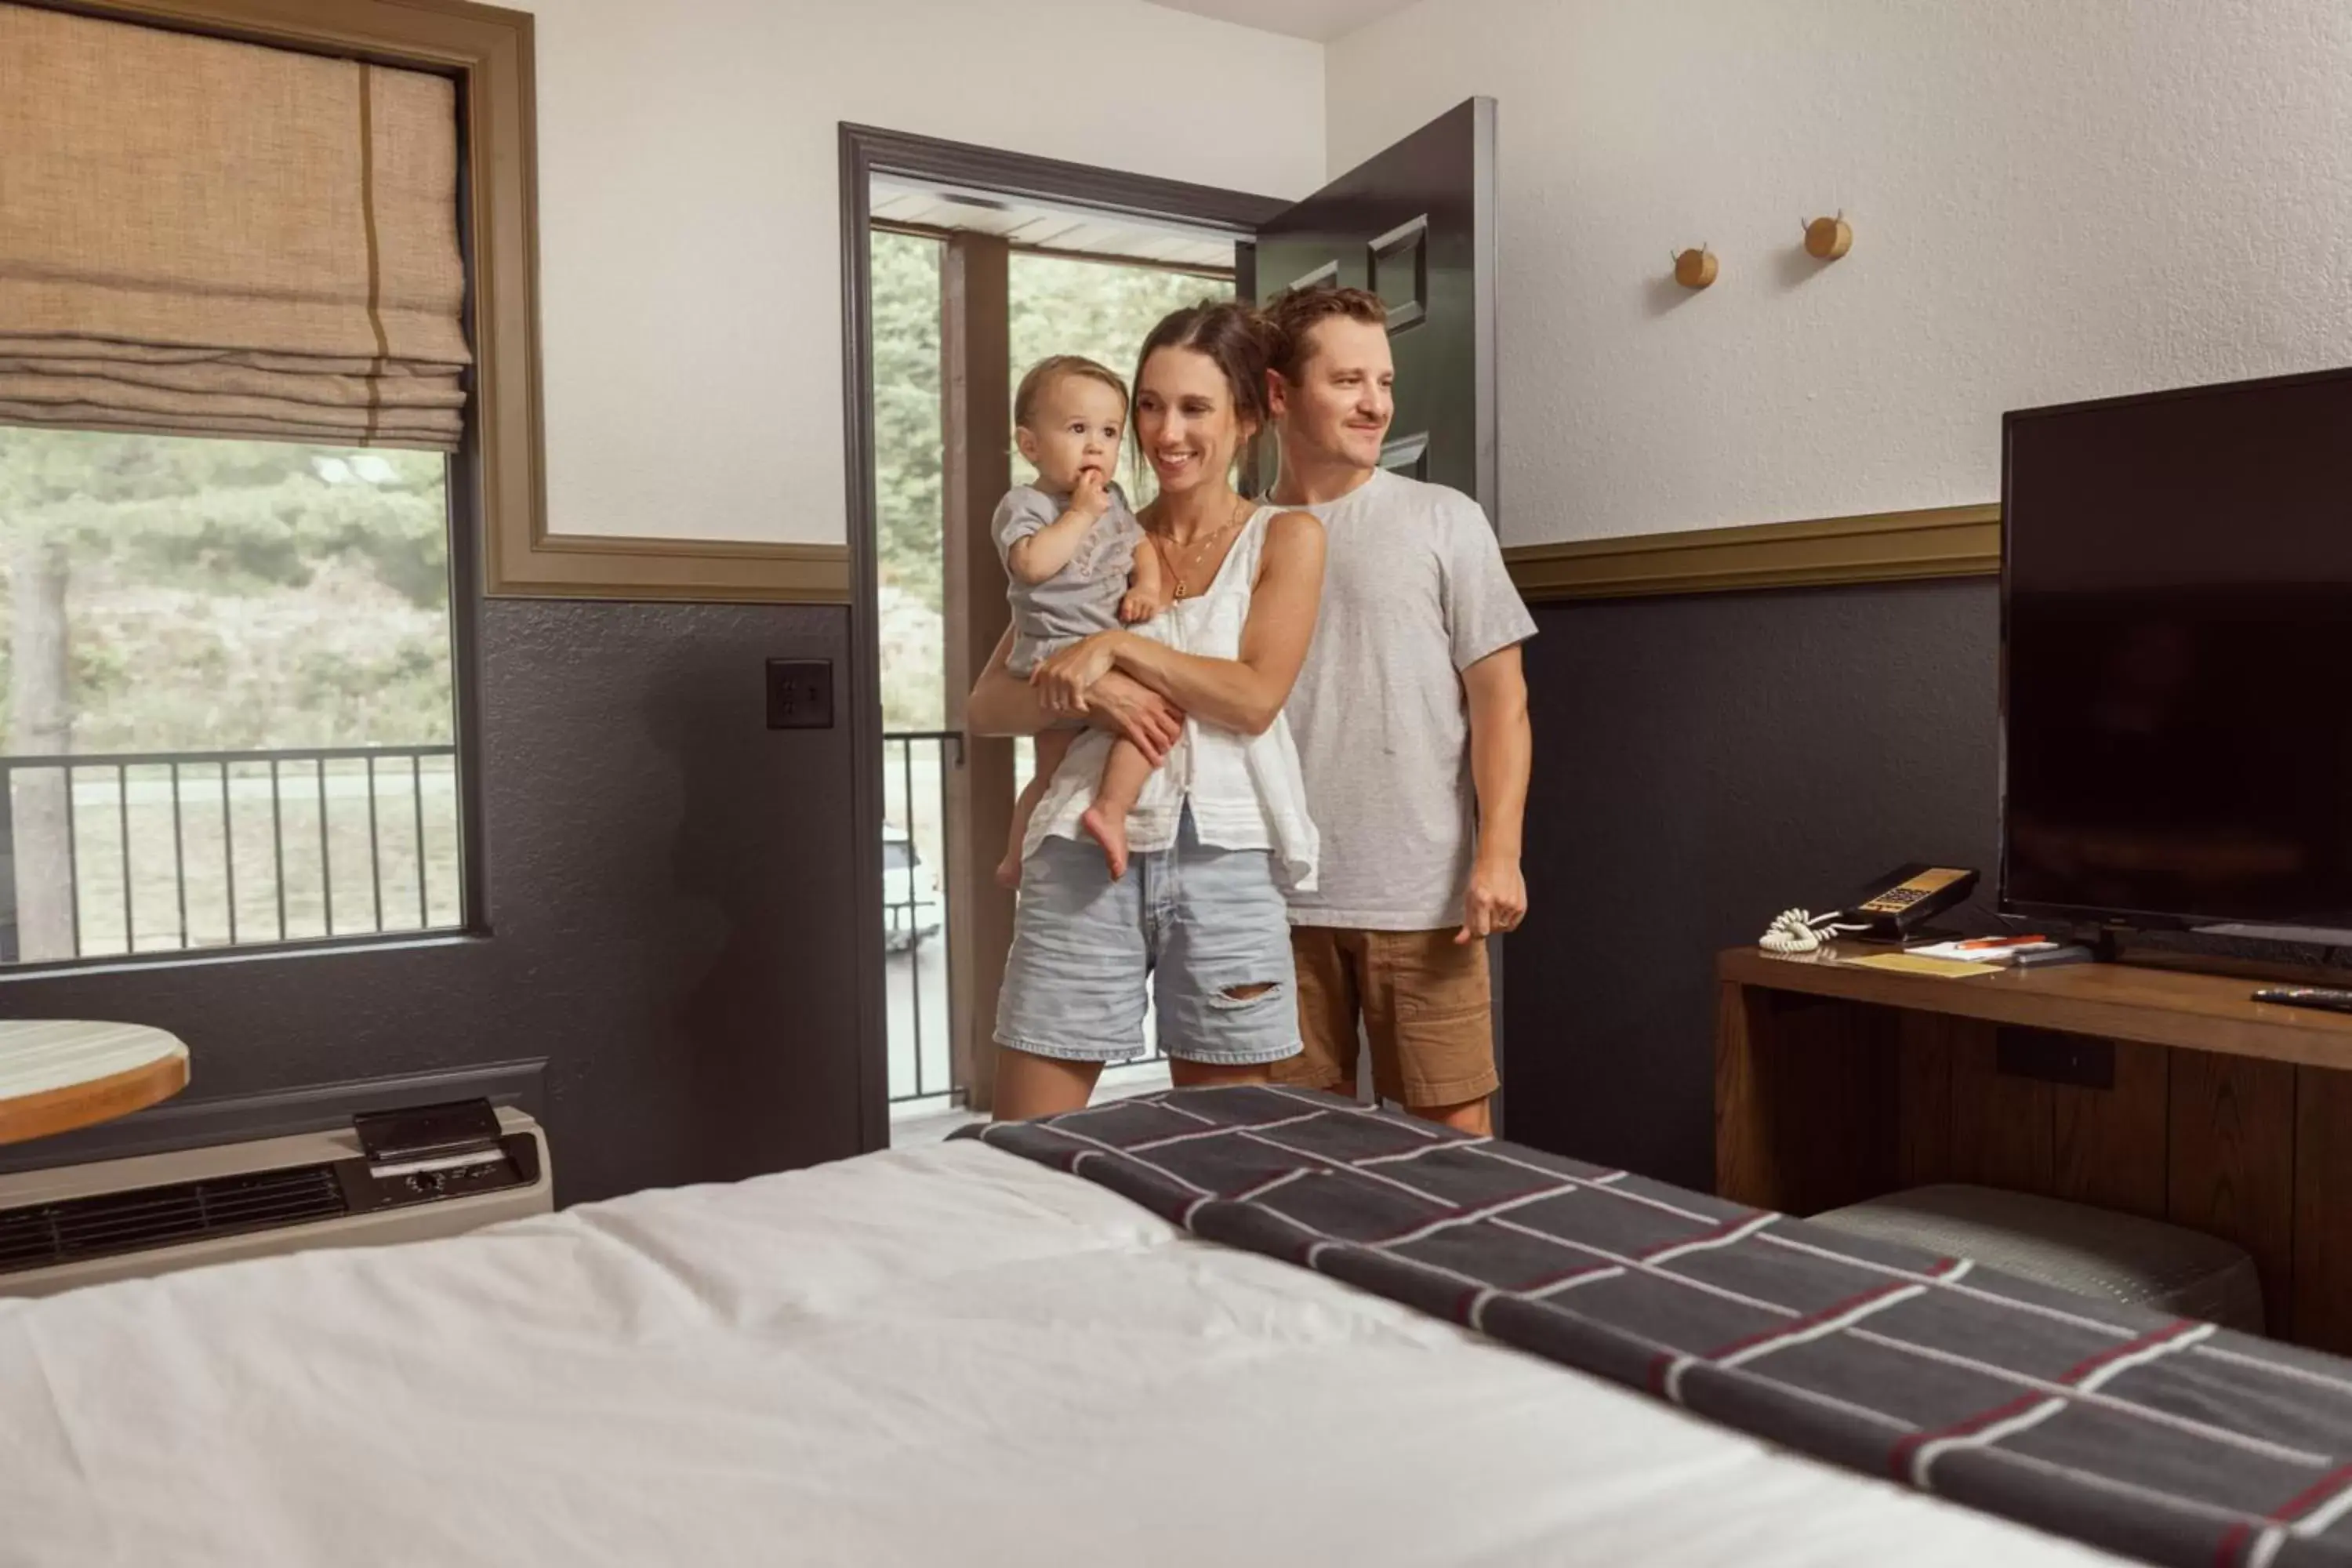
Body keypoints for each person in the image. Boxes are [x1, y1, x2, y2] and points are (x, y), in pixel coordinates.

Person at [965, 300, 1327, 1121]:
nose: (1166, 432)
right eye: (1152, 406)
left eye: (1195, 407)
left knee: (1221, 1152)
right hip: (1081, 854)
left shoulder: (1288, 537)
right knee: (1030, 1145)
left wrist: (1122, 649)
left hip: (1226, 862)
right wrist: (1096, 693)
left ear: (1247, 414)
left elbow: (1253, 696)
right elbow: (987, 704)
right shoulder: (1084, 535)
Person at [1260, 284, 1535, 1137]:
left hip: (1425, 901)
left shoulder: (1444, 519)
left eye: (1383, 381)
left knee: (1458, 1155)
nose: (1376, 402)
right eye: (1348, 381)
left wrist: (1500, 854)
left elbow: (1503, 705)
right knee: (1292, 1156)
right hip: (1270, 901)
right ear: (1278, 393)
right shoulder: (1238, 536)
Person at [991, 355, 1172, 887]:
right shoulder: (1025, 504)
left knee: (1148, 725)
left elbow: (1140, 546)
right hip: (1053, 653)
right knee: (1048, 769)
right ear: (1031, 446)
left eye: (1109, 432)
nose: (1096, 445)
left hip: (1107, 645)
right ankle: (1015, 857)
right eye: (1077, 429)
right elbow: (1030, 564)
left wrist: (1149, 587)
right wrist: (1079, 515)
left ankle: (1109, 809)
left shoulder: (1114, 500)